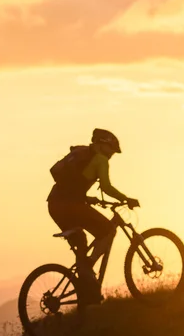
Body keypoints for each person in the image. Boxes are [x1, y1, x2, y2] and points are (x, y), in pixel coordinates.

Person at [46, 127, 137, 303]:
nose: (111, 155)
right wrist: (126, 199)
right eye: (111, 150)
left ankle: (87, 291)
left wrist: (87, 198)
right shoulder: (100, 160)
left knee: (80, 242)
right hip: (71, 206)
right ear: (102, 145)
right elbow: (107, 187)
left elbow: (72, 186)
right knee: (108, 230)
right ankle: (88, 267)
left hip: (55, 205)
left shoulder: (82, 154)